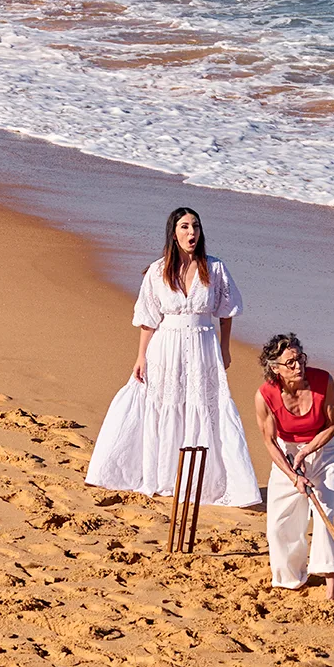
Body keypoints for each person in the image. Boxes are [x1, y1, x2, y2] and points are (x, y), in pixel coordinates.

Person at [86, 207, 261, 508]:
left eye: (195, 226)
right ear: (173, 232)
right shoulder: (157, 270)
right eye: (184, 226)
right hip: (165, 347)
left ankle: (203, 482)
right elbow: (148, 319)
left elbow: (226, 312)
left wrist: (225, 348)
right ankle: (165, 477)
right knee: (166, 405)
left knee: (203, 405)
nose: (191, 232)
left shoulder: (215, 268)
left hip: (204, 345)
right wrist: (141, 356)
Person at [253, 333, 334, 600]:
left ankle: (332, 589)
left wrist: (306, 450)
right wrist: (294, 476)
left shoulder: (323, 380)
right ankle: (290, 580)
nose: (298, 367)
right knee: (280, 523)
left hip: (324, 451)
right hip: (286, 453)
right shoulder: (264, 396)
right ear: (275, 368)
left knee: (324, 514)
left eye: (300, 359)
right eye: (290, 362)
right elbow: (270, 442)